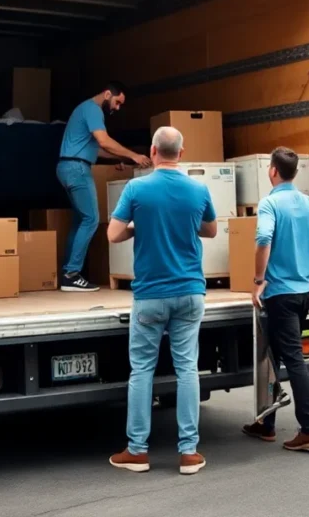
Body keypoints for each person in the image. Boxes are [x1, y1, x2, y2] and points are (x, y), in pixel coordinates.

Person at [106, 126, 217, 476]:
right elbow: (211, 230)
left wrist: (139, 226)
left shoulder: (136, 188)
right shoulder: (198, 189)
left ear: (153, 151)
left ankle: (137, 451)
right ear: (181, 154)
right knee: (187, 368)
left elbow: (113, 234)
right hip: (190, 292)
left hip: (151, 295)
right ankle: (189, 452)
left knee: (142, 370)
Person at [242, 147, 309, 451]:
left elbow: (264, 238)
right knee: (274, 355)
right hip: (304, 292)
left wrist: (258, 281)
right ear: (294, 172)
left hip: (281, 294)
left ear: (273, 171)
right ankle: (266, 422)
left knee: (292, 359)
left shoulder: (270, 203)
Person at [56, 81, 151, 293]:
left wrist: (118, 159)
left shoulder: (84, 109)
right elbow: (104, 141)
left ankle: (67, 274)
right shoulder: (93, 109)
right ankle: (71, 274)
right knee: (91, 219)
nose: (118, 107)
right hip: (77, 169)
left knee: (80, 220)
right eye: (117, 102)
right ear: (107, 94)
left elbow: (96, 150)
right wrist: (133, 155)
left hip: (67, 167)